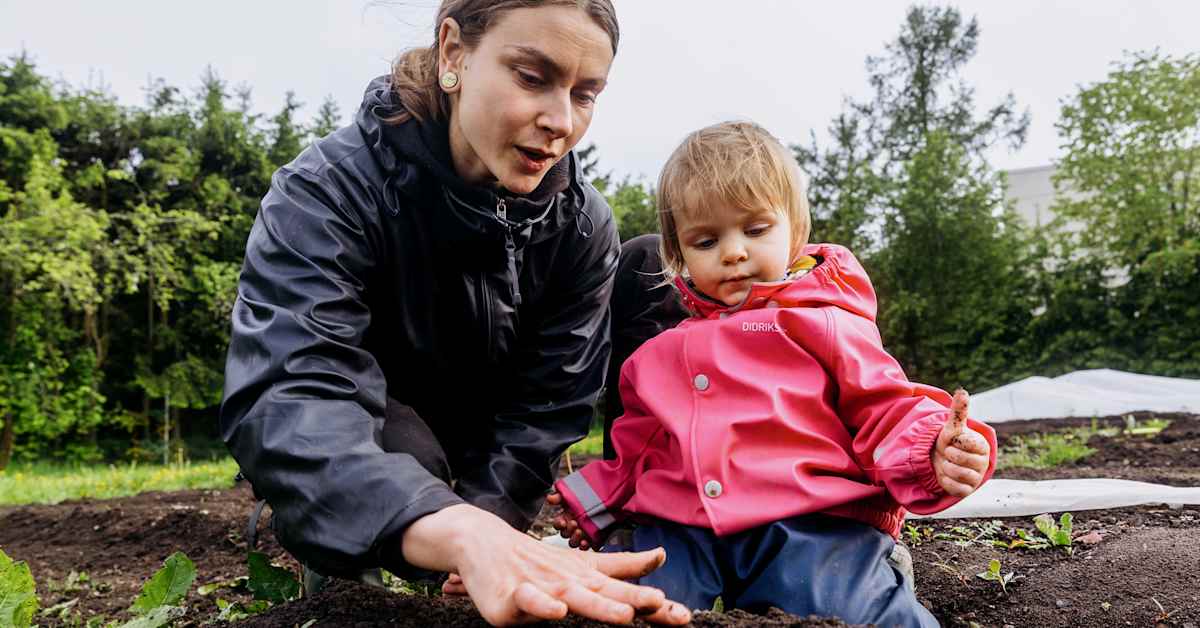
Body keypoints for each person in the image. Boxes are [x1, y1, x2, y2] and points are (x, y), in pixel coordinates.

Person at [219, 1, 691, 625]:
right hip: (378, 438)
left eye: (585, 93)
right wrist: (447, 526)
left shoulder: (582, 225)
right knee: (397, 463)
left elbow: (549, 404)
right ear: (453, 53)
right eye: (531, 77)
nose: (559, 121)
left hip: (478, 443)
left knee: (652, 272)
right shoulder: (328, 191)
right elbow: (290, 393)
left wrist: (491, 527)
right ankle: (352, 562)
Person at [549, 121, 998, 626]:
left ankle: (881, 579)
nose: (733, 251)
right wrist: (592, 504)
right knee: (637, 601)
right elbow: (640, 447)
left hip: (811, 522)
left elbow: (885, 405)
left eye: (755, 229)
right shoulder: (658, 354)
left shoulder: (823, 323)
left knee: (849, 608)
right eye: (705, 240)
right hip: (686, 529)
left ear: (796, 232)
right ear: (678, 256)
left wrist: (930, 448)